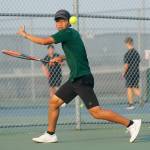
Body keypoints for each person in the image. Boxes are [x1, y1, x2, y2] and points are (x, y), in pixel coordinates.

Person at [17, 9, 141, 143]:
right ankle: (50, 134)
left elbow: (45, 41)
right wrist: (62, 58)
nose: (59, 23)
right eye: (57, 21)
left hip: (81, 79)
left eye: (62, 20)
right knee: (54, 103)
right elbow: (78, 53)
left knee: (96, 113)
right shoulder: (73, 34)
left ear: (68, 22)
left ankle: (131, 124)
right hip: (75, 79)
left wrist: (25, 35)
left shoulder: (66, 33)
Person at [123, 37, 141, 110]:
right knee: (134, 87)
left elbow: (126, 65)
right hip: (136, 72)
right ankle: (132, 103)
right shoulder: (136, 53)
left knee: (129, 88)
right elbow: (138, 61)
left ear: (127, 43)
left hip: (130, 73)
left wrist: (123, 73)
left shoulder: (127, 54)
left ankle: (131, 104)